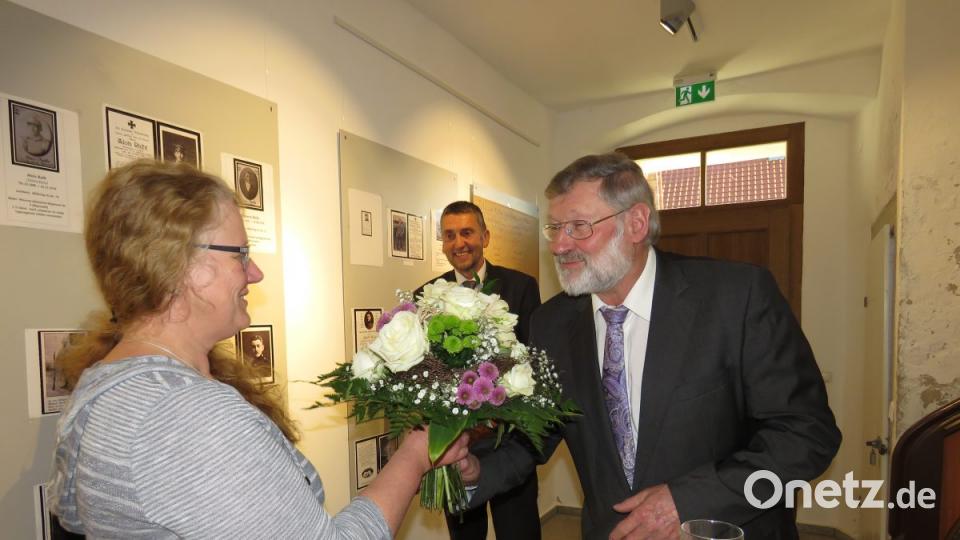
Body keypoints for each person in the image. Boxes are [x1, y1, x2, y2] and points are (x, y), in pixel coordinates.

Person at [47, 160, 469, 538]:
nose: (256, 272)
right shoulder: (185, 416)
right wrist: (414, 457)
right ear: (187, 268)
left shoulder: (107, 380)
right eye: (241, 255)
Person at [460, 153, 841, 539]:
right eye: (555, 228)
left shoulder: (734, 298)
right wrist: (478, 470)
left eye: (578, 226)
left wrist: (688, 500)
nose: (559, 246)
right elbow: (535, 434)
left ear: (636, 223)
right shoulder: (551, 323)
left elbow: (806, 433)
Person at [415, 200, 543, 540]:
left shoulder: (521, 287)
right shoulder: (425, 296)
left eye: (467, 232)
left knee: (520, 532)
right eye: (450, 235)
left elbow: (534, 363)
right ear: (442, 242)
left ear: (485, 236)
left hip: (509, 444)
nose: (459, 243)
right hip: (457, 448)